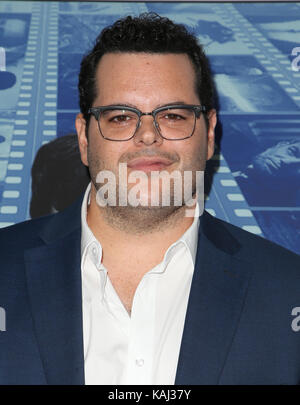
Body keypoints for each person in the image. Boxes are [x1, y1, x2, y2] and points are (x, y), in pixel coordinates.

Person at [0, 13, 300, 385]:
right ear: (83, 138)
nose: (147, 136)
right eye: (121, 117)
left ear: (208, 136)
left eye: (172, 115)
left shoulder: (290, 289)